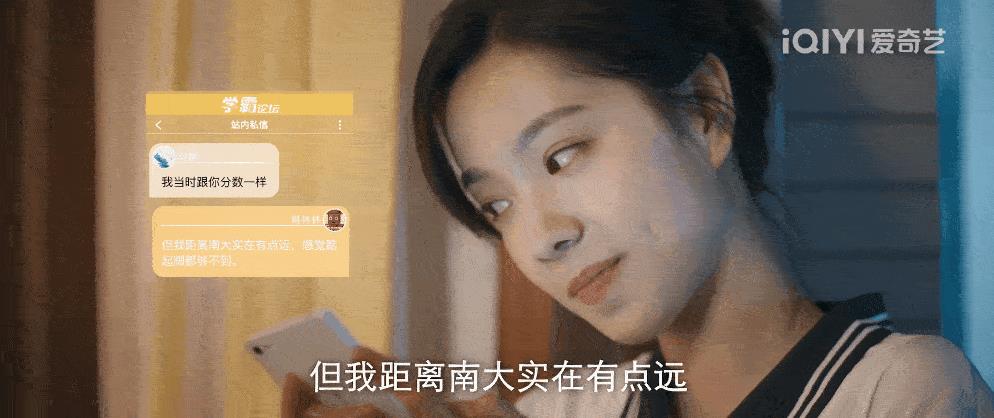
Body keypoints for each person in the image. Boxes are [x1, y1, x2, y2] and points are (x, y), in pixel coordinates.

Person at [284, 0, 994, 416]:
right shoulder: (557, 410)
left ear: (705, 111)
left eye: (564, 155)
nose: (541, 239)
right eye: (496, 204)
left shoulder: (902, 389)